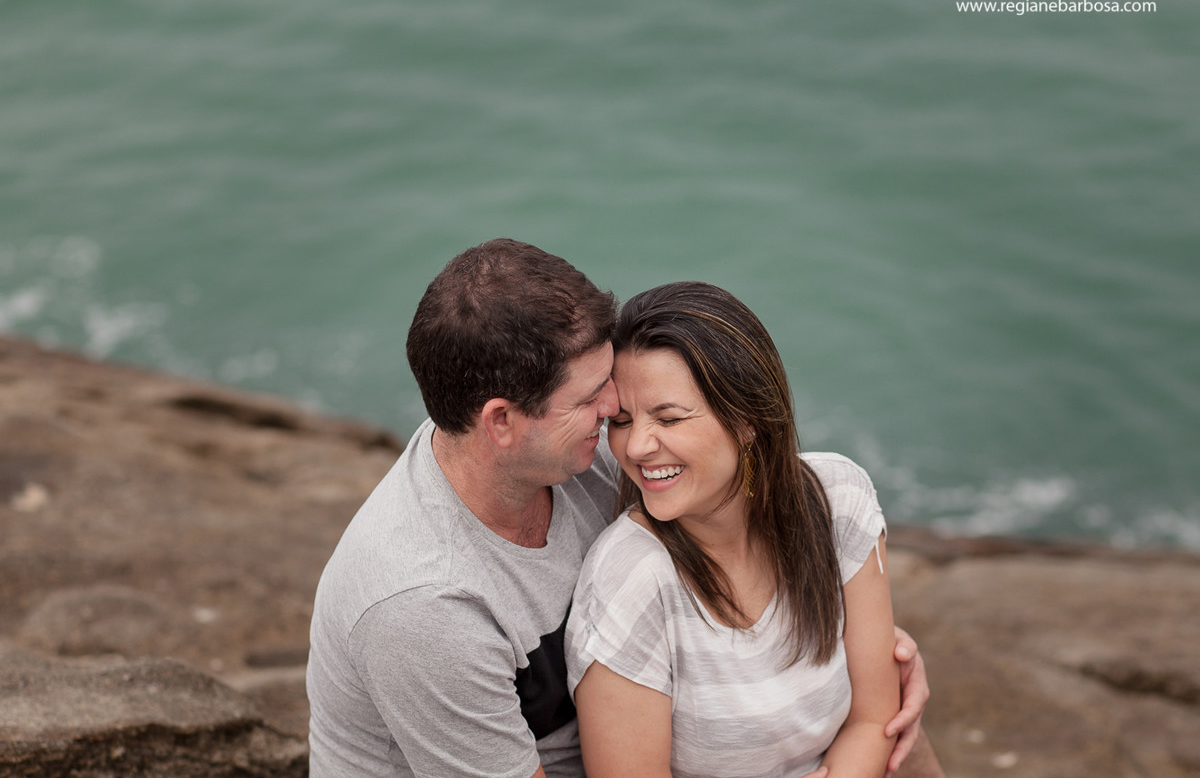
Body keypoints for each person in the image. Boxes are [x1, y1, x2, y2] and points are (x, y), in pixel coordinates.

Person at [306, 239, 939, 778]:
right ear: (501, 421)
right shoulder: (421, 606)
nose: (617, 412)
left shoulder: (577, 455)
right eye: (592, 397)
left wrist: (849, 647)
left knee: (904, 749)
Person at [565, 281, 922, 778]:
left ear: (747, 418)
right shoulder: (631, 580)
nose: (637, 446)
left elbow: (874, 718)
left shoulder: (839, 499)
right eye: (621, 421)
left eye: (668, 418)